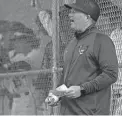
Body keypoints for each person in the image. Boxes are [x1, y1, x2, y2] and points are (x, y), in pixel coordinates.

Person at [47, 0, 118, 115]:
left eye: (74, 11)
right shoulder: (72, 43)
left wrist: (82, 89)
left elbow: (111, 74)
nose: (70, 14)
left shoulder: (101, 40)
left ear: (87, 17)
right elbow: (67, 76)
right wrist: (57, 94)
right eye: (70, 11)